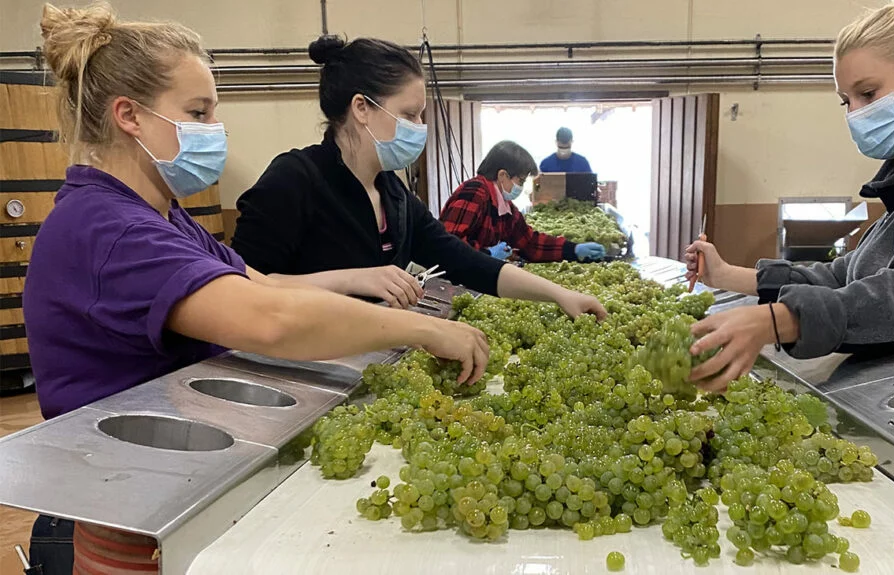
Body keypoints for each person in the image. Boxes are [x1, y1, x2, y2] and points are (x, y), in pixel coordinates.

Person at [24, 6, 496, 569]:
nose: (213, 130)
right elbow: (270, 320)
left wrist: (368, 297)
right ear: (129, 115)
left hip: (178, 483)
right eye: (197, 112)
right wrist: (421, 329)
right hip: (133, 512)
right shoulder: (109, 229)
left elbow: (266, 286)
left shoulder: (163, 220)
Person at [683, 0, 894, 392]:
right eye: (847, 101)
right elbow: (844, 275)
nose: (855, 113)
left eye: (868, 94)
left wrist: (781, 319)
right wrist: (726, 275)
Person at [231, 36, 607, 318]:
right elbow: (239, 285)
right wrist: (352, 279)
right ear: (361, 107)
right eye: (410, 115)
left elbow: (464, 261)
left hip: (361, 358)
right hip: (295, 367)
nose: (420, 128)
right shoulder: (295, 180)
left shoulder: (393, 194)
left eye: (422, 115)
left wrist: (558, 294)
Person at [439, 140, 607, 263]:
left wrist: (572, 249)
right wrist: (485, 254)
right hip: (448, 282)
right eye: (520, 180)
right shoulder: (475, 192)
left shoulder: (506, 210)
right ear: (503, 175)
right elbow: (446, 245)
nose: (521, 186)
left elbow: (530, 243)